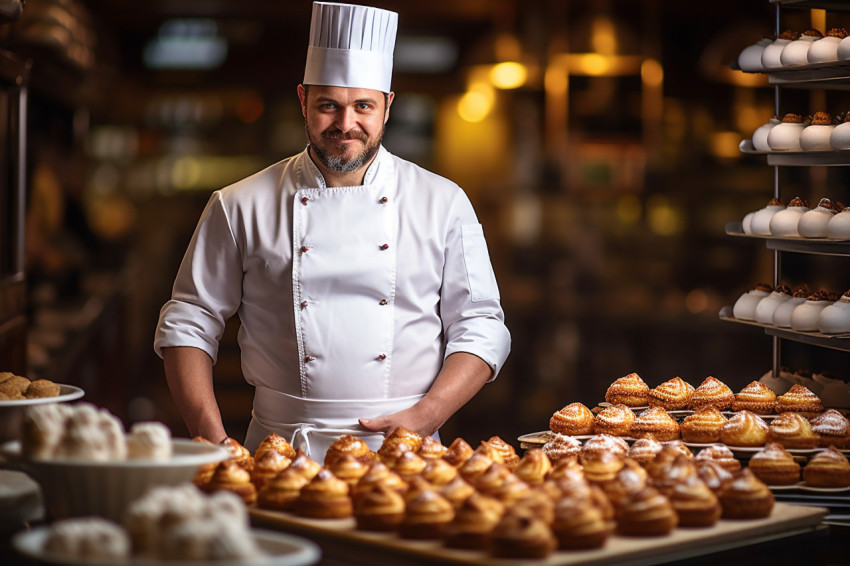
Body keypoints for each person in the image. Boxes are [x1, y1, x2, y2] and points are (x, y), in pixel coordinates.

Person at [154, 1, 510, 461]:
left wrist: (427, 416)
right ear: (303, 101)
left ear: (387, 106)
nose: (346, 124)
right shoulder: (238, 204)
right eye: (329, 106)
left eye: (363, 106)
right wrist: (213, 442)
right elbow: (188, 322)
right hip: (278, 452)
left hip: (406, 453)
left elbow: (481, 326)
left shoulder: (443, 202)